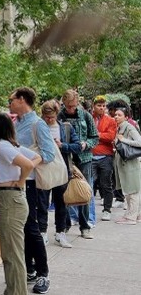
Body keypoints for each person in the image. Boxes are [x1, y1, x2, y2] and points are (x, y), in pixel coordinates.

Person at [0, 111, 41, 295]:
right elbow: (37, 157)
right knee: (11, 252)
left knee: (12, 254)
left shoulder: (2, 146)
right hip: (10, 198)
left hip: (10, 198)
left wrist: (21, 180)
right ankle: (13, 290)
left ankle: (16, 292)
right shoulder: (8, 145)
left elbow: (28, 164)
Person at [7, 87, 53, 294]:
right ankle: (30, 269)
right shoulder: (15, 123)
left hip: (32, 183)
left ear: (22, 100)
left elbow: (49, 153)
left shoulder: (37, 123)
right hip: (16, 182)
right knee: (21, 227)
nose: (9, 103)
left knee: (31, 227)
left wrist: (30, 164)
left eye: (12, 100)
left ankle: (44, 273)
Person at [57, 89, 98, 238]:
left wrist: (86, 144)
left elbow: (95, 137)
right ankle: (65, 224)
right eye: (68, 106)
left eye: (73, 106)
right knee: (63, 191)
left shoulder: (86, 116)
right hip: (65, 158)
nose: (70, 109)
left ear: (78, 103)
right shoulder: (59, 116)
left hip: (84, 158)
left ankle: (84, 225)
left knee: (85, 191)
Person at [40, 100, 80, 248]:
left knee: (61, 203)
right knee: (42, 203)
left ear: (57, 114)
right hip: (43, 170)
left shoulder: (65, 128)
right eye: (46, 116)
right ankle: (43, 233)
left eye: (52, 116)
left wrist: (62, 145)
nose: (49, 119)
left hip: (61, 170)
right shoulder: (39, 127)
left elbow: (77, 146)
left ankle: (60, 232)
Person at [109, 105, 141, 225]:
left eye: (119, 115)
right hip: (124, 163)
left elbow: (139, 141)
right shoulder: (120, 128)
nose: (116, 117)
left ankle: (131, 217)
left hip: (130, 163)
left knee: (132, 189)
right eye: (115, 114)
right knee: (129, 189)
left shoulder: (129, 127)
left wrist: (123, 140)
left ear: (126, 117)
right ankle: (136, 215)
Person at [90, 95, 118, 222]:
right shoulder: (89, 118)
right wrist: (101, 135)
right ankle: (86, 212)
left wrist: (96, 135)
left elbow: (111, 136)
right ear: (93, 106)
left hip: (105, 156)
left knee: (106, 184)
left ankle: (107, 210)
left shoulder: (111, 120)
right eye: (99, 105)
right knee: (89, 184)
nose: (101, 108)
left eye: (103, 106)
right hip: (91, 156)